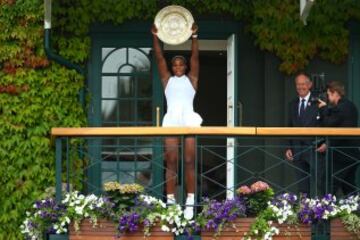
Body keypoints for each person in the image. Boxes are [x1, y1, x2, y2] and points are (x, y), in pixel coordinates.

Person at [152, 23, 201, 220]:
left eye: (181, 64)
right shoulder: (167, 80)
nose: (178, 66)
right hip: (171, 120)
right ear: (172, 68)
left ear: (186, 66)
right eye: (175, 65)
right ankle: (171, 202)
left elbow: (195, 57)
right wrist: (155, 37)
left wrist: (194, 37)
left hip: (189, 119)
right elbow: (159, 58)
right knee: (171, 161)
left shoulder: (192, 79)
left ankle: (190, 201)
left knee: (189, 161)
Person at [285, 72, 326, 195]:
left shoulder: (319, 102)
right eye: (298, 84)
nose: (300, 87)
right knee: (302, 186)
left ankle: (324, 210)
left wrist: (325, 143)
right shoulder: (292, 104)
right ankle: (304, 211)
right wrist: (288, 146)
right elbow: (289, 127)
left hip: (315, 148)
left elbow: (325, 123)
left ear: (310, 85)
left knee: (320, 183)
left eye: (303, 84)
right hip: (297, 149)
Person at [318, 81, 359, 195]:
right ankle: (354, 211)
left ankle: (326, 211)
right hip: (351, 154)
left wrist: (323, 109)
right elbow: (340, 126)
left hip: (341, 155)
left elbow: (328, 124)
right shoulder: (350, 105)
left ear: (335, 93)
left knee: (327, 184)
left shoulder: (341, 107)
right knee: (348, 187)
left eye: (328, 94)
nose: (328, 97)